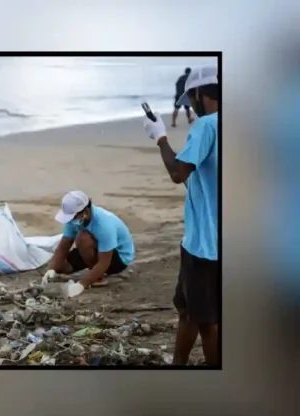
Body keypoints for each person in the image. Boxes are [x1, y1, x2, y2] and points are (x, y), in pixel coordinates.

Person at [143, 65, 220, 366]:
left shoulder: (207, 126)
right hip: (211, 241)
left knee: (207, 322)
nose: (192, 106)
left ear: (201, 94)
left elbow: (178, 172)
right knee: (188, 310)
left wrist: (160, 137)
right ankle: (178, 366)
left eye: (192, 99)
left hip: (206, 244)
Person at [43, 191, 135, 297]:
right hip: (93, 248)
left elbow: (104, 262)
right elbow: (64, 245)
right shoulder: (75, 220)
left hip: (118, 257)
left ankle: (99, 278)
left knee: (82, 238)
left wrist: (81, 285)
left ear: (85, 211)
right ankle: (93, 272)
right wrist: (51, 268)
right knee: (62, 267)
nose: (71, 221)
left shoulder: (104, 225)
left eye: (73, 217)